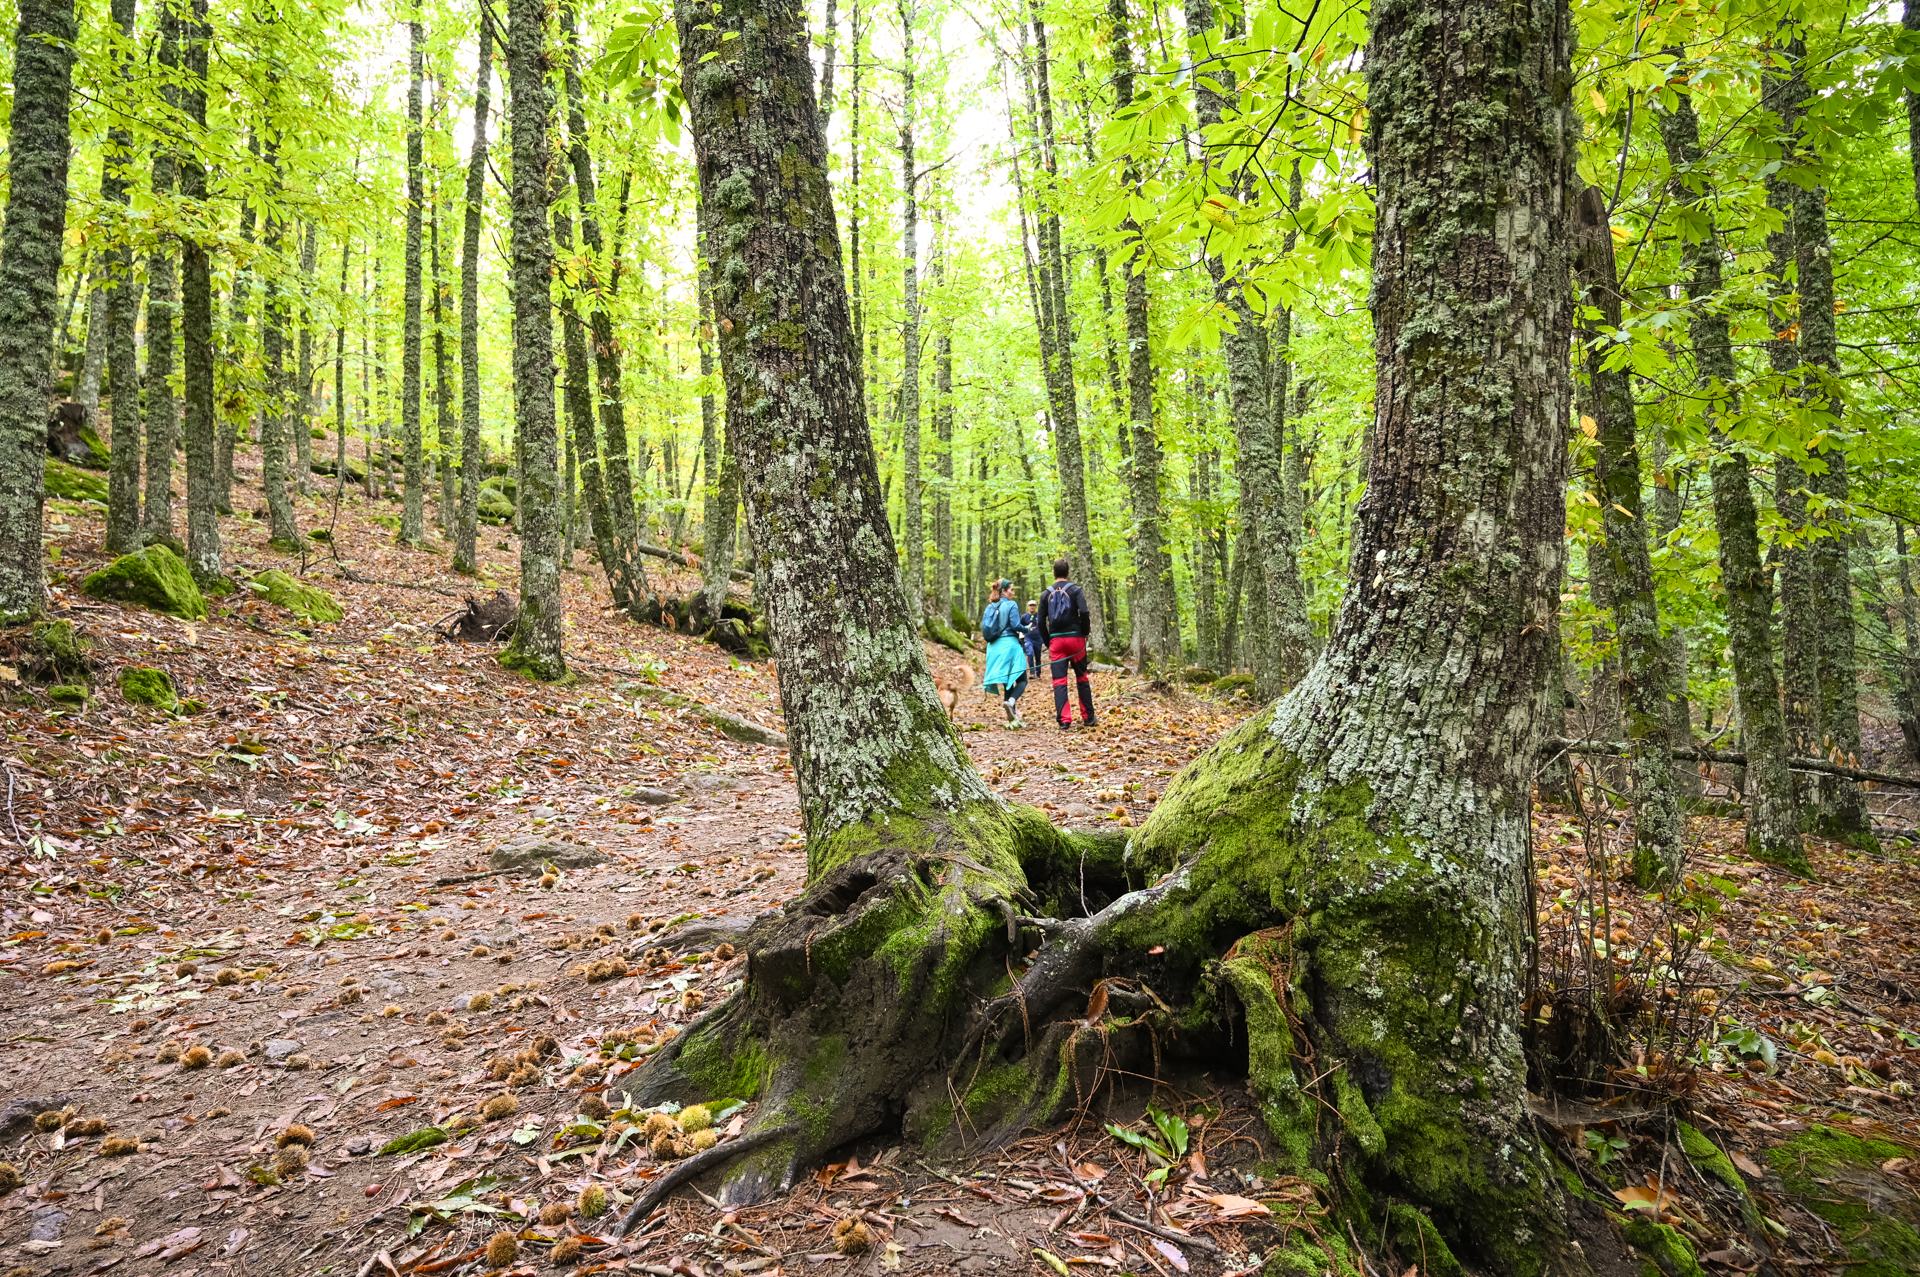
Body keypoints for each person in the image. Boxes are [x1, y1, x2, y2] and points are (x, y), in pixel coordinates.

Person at [1035, 557, 1095, 729]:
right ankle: (1088, 718)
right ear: (1068, 573)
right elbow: (1084, 612)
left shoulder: (1046, 594)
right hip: (1076, 639)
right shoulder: (1075, 590)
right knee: (1082, 677)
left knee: (1059, 681)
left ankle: (1064, 720)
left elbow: (1040, 622)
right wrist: (1085, 632)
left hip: (1056, 641)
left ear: (1054, 573)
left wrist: (1049, 642)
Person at [980, 580, 1028, 727]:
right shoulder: (1011, 605)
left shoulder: (990, 607)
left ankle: (1012, 719)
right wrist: (1027, 628)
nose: (1013, 592)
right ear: (1003, 591)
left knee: (1008, 683)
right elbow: (1015, 625)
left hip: (994, 647)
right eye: (1011, 589)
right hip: (1009, 645)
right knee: (1022, 680)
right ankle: (1011, 702)